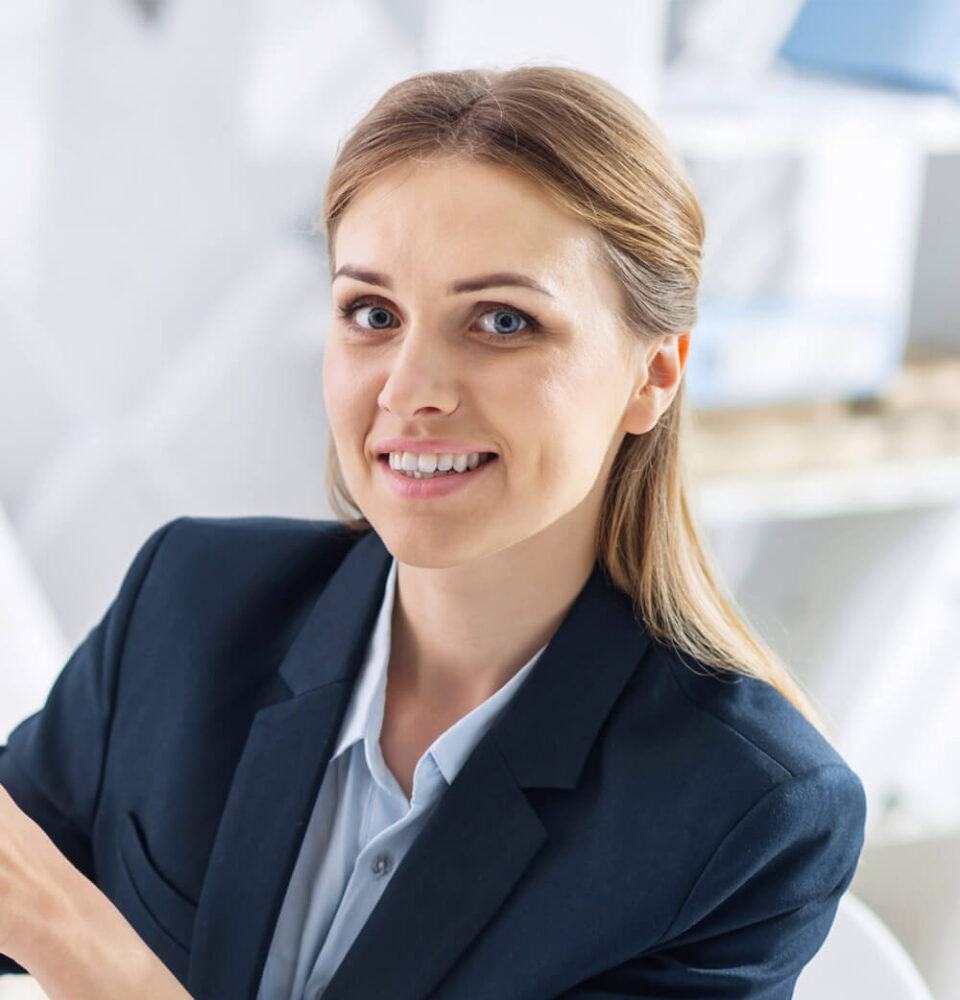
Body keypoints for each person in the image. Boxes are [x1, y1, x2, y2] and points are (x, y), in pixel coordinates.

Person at [0, 65, 866, 1000]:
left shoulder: (749, 814)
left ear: (653, 375)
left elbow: (41, 908)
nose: (409, 389)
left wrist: (79, 943)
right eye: (373, 314)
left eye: (502, 321)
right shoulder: (191, 600)